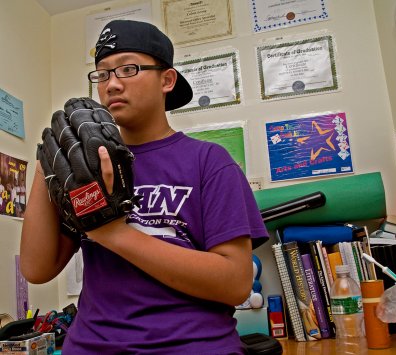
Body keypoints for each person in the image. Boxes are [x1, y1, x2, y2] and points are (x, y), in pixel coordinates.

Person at [20, 20, 268, 354]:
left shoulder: (209, 161)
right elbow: (36, 269)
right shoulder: (86, 168)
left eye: (128, 69)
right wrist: (49, 158)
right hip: (91, 346)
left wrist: (113, 233)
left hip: (193, 346)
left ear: (167, 79)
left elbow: (236, 283)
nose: (112, 84)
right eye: (103, 73)